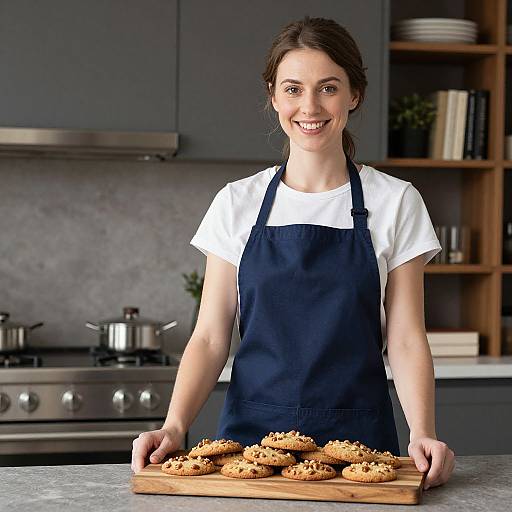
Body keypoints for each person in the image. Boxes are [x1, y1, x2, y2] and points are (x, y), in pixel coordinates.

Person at [131, 16, 455, 489]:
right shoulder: (236, 203)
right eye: (293, 89)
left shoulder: (396, 201)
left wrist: (424, 432)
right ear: (273, 96)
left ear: (354, 95)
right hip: (250, 446)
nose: (310, 106)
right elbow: (209, 337)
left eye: (328, 88)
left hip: (361, 447)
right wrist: (174, 425)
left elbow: (406, 338)